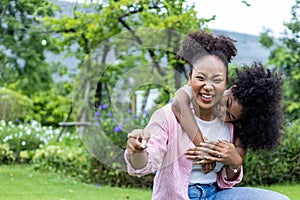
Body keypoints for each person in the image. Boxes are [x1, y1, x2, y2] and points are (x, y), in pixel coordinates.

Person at [124, 31, 289, 200]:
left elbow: (226, 183)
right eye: (201, 78)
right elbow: (144, 164)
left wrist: (235, 163)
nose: (222, 112)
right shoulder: (169, 115)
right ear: (190, 78)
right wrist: (137, 151)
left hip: (214, 195)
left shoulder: (233, 128)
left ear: (225, 83)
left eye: (217, 80)